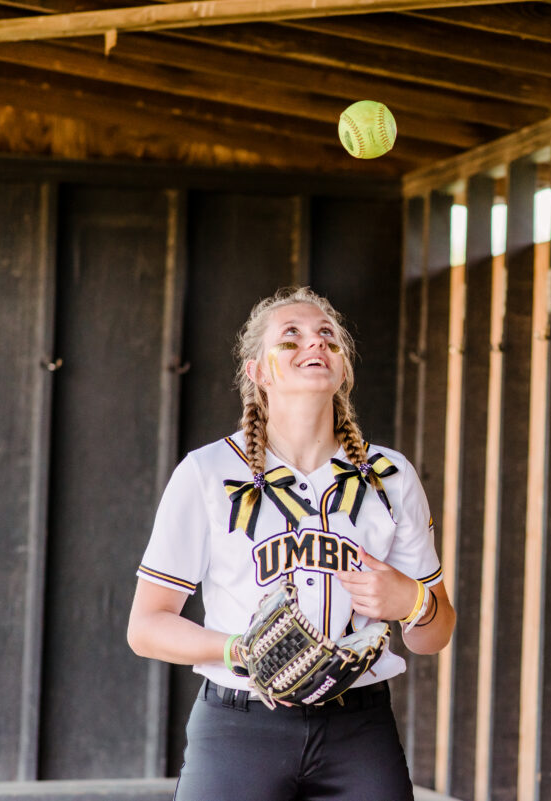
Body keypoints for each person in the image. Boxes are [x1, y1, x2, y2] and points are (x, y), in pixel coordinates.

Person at [127, 286, 454, 801]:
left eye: (328, 337)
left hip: (359, 729)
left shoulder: (390, 477)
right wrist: (241, 651)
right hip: (239, 726)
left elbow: (433, 635)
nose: (315, 345)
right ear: (258, 372)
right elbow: (146, 628)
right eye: (291, 337)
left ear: (343, 369)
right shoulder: (208, 472)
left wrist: (412, 602)